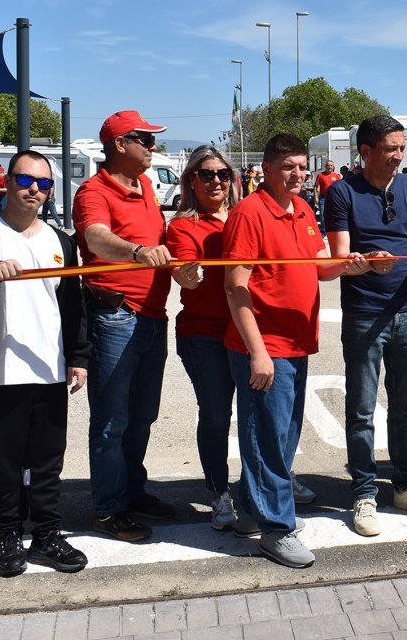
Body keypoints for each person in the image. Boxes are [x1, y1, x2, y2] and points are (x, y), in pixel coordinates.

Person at [223, 133, 367, 568]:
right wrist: (257, 352)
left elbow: (319, 266)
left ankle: (253, 511)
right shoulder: (249, 214)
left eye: (302, 166)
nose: (298, 174)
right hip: (266, 346)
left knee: (283, 436)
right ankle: (277, 530)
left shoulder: (303, 209)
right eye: (288, 167)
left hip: (296, 343)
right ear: (265, 169)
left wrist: (351, 265)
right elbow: (235, 286)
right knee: (266, 439)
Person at [0, 151, 91, 577]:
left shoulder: (62, 241)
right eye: (26, 180)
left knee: (48, 461)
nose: (34, 190)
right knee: (6, 464)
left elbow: (73, 305)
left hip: (49, 370)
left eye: (44, 184)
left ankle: (47, 535)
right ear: (7, 183)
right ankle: (8, 534)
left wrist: (78, 357)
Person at [325, 115, 407, 537]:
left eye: (401, 147)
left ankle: (406, 487)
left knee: (405, 409)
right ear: (366, 151)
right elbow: (341, 259)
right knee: (361, 411)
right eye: (391, 148)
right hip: (363, 315)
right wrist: (362, 264)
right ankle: (363, 493)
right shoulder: (341, 192)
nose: (399, 155)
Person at [73, 110, 174, 541]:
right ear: (119, 144)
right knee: (112, 419)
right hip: (115, 316)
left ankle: (132, 492)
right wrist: (136, 252)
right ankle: (109, 508)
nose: (153, 146)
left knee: (142, 415)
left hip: (151, 316)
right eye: (145, 140)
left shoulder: (145, 185)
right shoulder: (93, 191)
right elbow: (96, 237)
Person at [165, 147, 241, 532]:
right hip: (204, 333)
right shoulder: (182, 226)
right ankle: (218, 492)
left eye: (222, 174)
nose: (215, 181)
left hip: (248, 330)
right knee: (215, 415)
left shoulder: (246, 216)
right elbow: (185, 275)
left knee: (263, 413)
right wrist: (188, 274)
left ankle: (271, 479)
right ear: (191, 181)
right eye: (206, 174)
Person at [314, 159, 341, 234]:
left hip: (334, 198)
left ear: (333, 167)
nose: (329, 167)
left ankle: (333, 230)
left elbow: (340, 187)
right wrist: (315, 196)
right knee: (322, 214)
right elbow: (316, 186)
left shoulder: (336, 176)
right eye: (328, 165)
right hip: (323, 198)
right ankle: (323, 231)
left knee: (334, 214)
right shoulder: (320, 175)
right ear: (325, 166)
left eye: (331, 165)